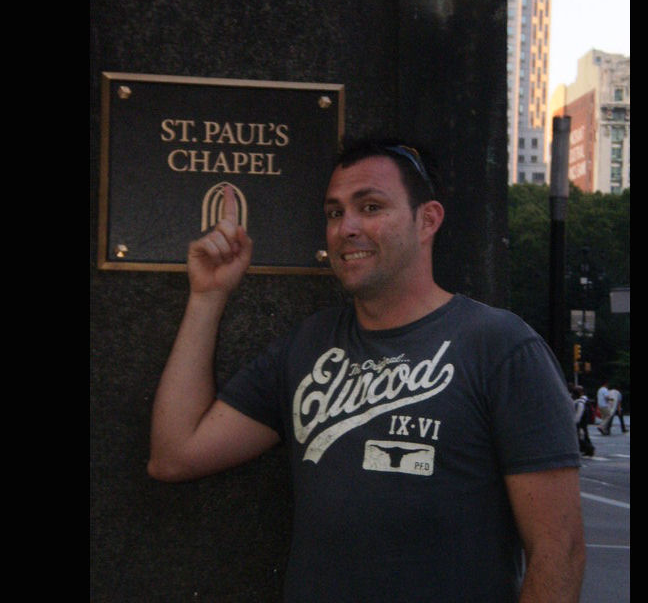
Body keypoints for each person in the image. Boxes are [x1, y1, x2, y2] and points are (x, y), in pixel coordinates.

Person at [148, 137, 586, 602]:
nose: (346, 228)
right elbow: (175, 455)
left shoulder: (501, 348)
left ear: (427, 220)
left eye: (371, 207)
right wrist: (208, 296)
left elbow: (559, 551)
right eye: (334, 212)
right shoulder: (308, 347)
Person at [571, 385, 594, 457]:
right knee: (584, 435)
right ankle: (587, 449)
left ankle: (588, 448)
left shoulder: (580, 402)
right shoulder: (584, 400)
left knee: (579, 436)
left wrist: (575, 421)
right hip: (583, 421)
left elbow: (579, 413)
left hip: (581, 421)